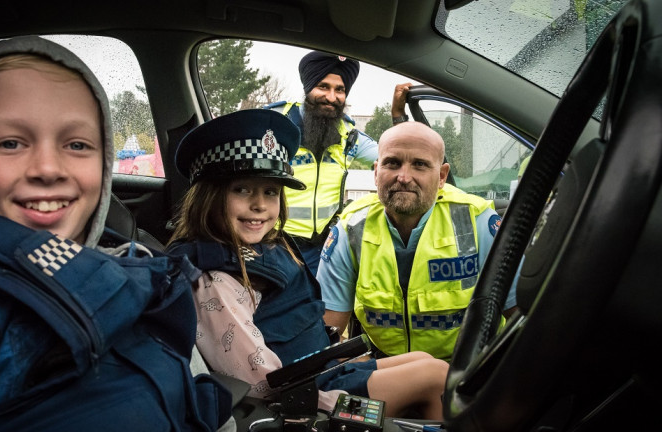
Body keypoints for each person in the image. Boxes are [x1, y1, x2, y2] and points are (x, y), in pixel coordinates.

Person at [0, 36, 231, 431]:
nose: (47, 168)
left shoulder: (132, 264)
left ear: (104, 160)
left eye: (76, 144)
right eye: (10, 142)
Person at [166, 109, 448, 420]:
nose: (260, 204)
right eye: (242, 189)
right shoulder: (213, 277)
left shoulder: (265, 247)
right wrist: (336, 405)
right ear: (209, 195)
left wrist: (335, 362)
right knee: (435, 379)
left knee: (425, 360)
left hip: (313, 372)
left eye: (271, 191)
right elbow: (259, 385)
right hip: (298, 400)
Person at [317, 122, 518, 362]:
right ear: (376, 171)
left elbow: (522, 319)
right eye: (392, 163)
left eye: (420, 165)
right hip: (385, 368)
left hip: (469, 368)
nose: (403, 177)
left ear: (442, 176)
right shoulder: (351, 228)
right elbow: (328, 334)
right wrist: (368, 371)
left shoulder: (477, 221)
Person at [265, 50, 413, 274]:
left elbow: (398, 156)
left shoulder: (349, 137)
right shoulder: (274, 124)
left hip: (322, 250)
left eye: (340, 90)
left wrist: (398, 116)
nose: (332, 97)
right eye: (323, 87)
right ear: (308, 88)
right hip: (273, 245)